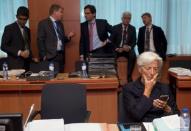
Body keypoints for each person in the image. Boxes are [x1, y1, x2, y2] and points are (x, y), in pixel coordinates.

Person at [123, 52, 179, 122]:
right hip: (141, 126)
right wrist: (147, 90)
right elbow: (135, 116)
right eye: (148, 68)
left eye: (155, 69)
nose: (152, 73)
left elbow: (177, 114)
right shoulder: (129, 88)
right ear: (140, 69)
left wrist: (167, 108)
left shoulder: (164, 88)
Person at [37, 4, 75, 72]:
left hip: (60, 56)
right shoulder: (43, 23)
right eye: (61, 12)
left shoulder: (60, 24)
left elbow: (61, 39)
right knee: (51, 79)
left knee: (60, 78)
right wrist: (43, 56)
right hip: (49, 57)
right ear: (55, 12)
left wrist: (68, 37)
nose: (62, 14)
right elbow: (40, 40)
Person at [1, 6, 35, 70]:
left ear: (28, 18)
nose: (22, 21)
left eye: (25, 19)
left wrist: (31, 57)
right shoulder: (9, 28)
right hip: (15, 65)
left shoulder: (27, 30)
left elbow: (27, 46)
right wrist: (19, 52)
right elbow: (3, 46)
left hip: (27, 64)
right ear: (16, 16)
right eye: (20, 19)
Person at [109, 11, 136, 82]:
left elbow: (134, 41)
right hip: (118, 49)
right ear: (122, 19)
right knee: (112, 56)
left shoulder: (132, 28)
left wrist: (129, 47)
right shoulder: (115, 27)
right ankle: (116, 78)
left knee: (133, 55)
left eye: (129, 18)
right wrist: (117, 48)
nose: (127, 20)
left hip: (127, 50)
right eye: (125, 18)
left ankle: (129, 77)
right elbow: (111, 41)